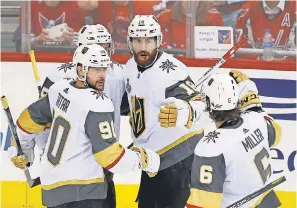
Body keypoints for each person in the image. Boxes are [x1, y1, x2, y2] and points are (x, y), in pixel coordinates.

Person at [7, 44, 160, 208]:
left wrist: (23, 149)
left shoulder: (59, 89)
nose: (102, 75)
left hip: (52, 190)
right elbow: (110, 158)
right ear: (80, 69)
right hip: (84, 192)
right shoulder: (97, 104)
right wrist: (144, 159)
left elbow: (26, 121)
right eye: (95, 69)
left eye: (104, 69)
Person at [123, 15, 205, 208]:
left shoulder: (172, 72)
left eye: (148, 41)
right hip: (149, 160)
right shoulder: (129, 68)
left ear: (158, 41)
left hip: (178, 160)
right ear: (130, 42)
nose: (143, 47)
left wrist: (184, 113)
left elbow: (202, 108)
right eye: (138, 41)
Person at [40, 24, 126, 208]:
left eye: (105, 48)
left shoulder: (119, 74)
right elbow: (42, 121)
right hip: (70, 167)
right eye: (98, 48)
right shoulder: (58, 78)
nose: (103, 55)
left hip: (103, 164)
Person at [185, 73, 282, 208]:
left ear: (208, 104)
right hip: (268, 203)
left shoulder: (211, 147)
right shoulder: (256, 119)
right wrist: (252, 99)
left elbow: (203, 203)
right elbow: (276, 134)